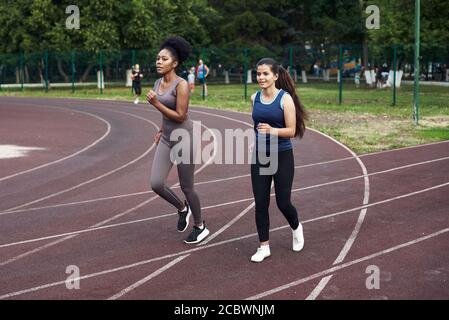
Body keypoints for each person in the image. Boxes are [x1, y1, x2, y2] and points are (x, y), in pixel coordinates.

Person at [146, 36, 209, 244]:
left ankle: (200, 226)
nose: (158, 62)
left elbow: (181, 115)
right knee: (156, 183)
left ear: (174, 63)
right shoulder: (157, 82)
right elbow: (167, 114)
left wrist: (155, 103)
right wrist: (161, 129)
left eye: (163, 59)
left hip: (184, 137)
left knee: (187, 186)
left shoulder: (181, 85)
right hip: (166, 137)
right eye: (157, 58)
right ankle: (182, 208)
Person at [249, 58, 307, 263]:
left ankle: (296, 227)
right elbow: (256, 125)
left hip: (282, 155)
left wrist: (272, 131)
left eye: (265, 74)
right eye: (258, 74)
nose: (261, 77)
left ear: (275, 76)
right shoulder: (254, 97)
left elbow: (291, 131)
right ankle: (263, 246)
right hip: (260, 156)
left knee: (283, 203)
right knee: (260, 203)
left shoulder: (285, 99)